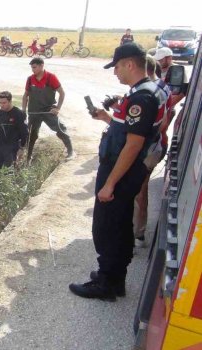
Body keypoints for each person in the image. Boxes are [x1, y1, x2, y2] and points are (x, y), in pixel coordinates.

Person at [69, 43, 160, 301]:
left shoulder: (141, 98)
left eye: (117, 67)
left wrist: (109, 184)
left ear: (130, 64)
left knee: (107, 227)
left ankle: (107, 284)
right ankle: (113, 277)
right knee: (118, 224)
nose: (115, 73)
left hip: (121, 170)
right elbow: (129, 132)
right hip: (124, 168)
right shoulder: (146, 90)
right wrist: (106, 119)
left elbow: (133, 145)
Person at [132, 55, 172, 247]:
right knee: (140, 189)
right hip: (158, 144)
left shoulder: (148, 92)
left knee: (139, 191)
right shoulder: (163, 87)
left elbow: (161, 122)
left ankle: (138, 233)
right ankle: (137, 231)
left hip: (148, 148)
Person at [22, 57, 74, 162]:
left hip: (48, 110)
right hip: (34, 112)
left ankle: (71, 151)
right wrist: (23, 111)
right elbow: (25, 96)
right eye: (32, 68)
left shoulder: (51, 77)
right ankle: (28, 157)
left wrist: (58, 108)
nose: (33, 70)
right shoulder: (30, 79)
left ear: (42, 66)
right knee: (32, 134)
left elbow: (62, 93)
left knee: (60, 129)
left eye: (34, 67)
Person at [0, 91, 29, 177]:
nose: (2, 105)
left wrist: (21, 148)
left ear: (10, 101)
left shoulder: (19, 114)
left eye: (4, 103)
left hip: (12, 148)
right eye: (0, 103)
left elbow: (24, 133)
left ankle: (8, 189)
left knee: (8, 173)